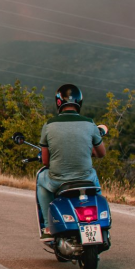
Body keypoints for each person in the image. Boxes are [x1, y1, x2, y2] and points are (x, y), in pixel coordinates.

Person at [36, 84, 107, 237]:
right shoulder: (90, 123)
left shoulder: (49, 125)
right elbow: (101, 153)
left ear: (58, 103)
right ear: (79, 103)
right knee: (94, 179)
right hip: (85, 178)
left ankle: (48, 226)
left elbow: (45, 162)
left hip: (58, 180)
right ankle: (101, 220)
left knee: (41, 178)